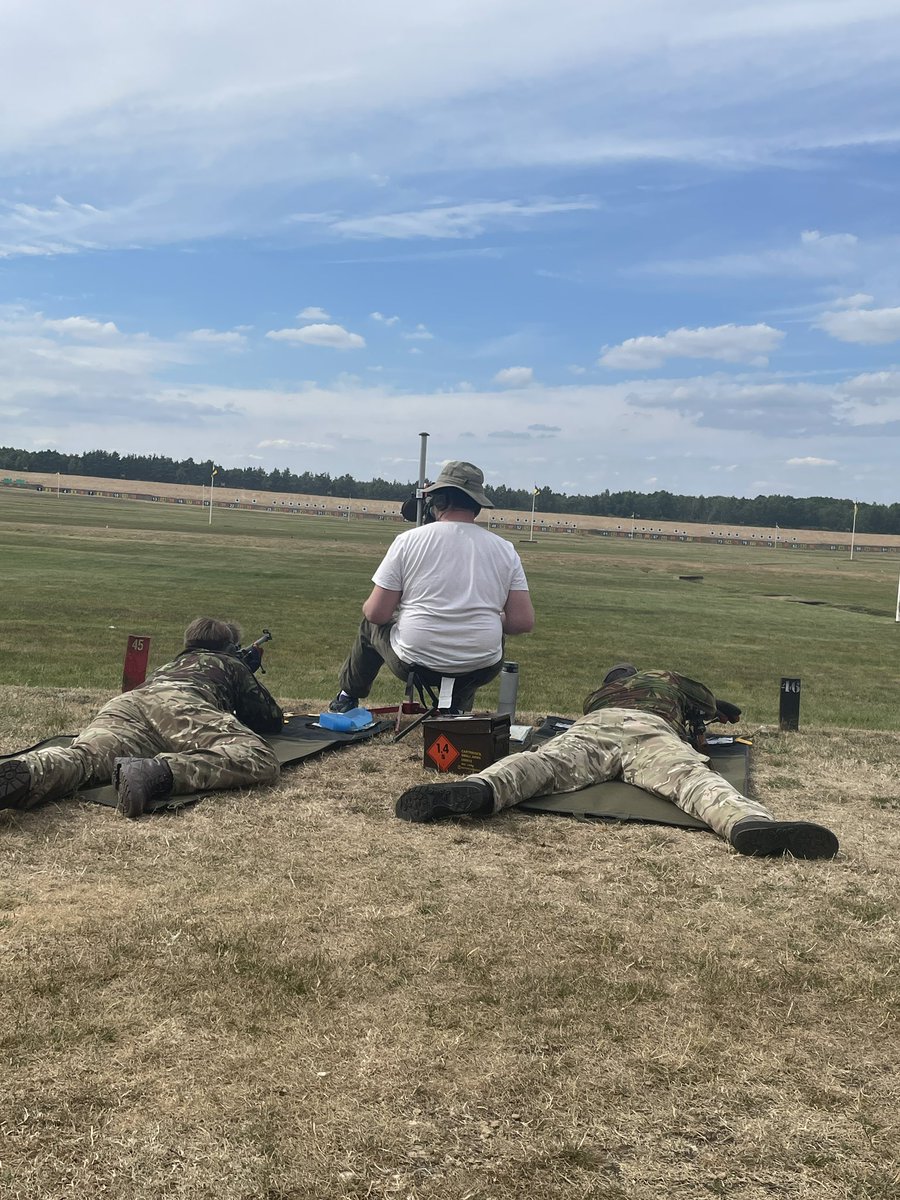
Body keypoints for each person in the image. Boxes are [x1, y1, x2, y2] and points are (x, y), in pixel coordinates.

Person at [394, 663, 839, 859]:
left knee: (542, 764)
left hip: (595, 727)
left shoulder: (598, 696)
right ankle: (745, 825)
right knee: (690, 779)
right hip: (648, 730)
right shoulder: (667, 680)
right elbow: (716, 705)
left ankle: (480, 788)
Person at [0, 617, 284, 819]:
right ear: (228, 647)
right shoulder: (230, 663)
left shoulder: (170, 664)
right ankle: (155, 772)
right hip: (182, 705)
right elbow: (268, 718)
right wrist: (246, 671)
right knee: (258, 755)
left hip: (128, 703)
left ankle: (30, 770)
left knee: (85, 758)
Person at [329, 460, 535, 714]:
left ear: (437, 501)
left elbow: (376, 614)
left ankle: (347, 696)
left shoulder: (408, 541)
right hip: (480, 668)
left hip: (415, 663)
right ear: (477, 505)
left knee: (369, 626)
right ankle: (455, 711)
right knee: (482, 636)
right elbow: (522, 621)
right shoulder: (505, 549)